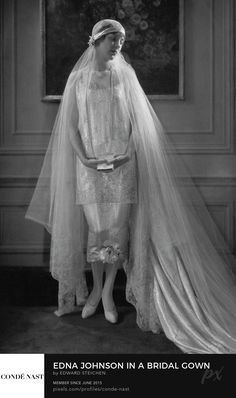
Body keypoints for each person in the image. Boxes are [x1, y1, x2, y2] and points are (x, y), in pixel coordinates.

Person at [26, 19, 236, 353]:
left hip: (123, 167)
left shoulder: (126, 76)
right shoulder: (77, 80)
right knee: (97, 232)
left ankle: (108, 291)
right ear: (97, 40)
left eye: (122, 41)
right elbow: (71, 128)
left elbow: (140, 125)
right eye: (114, 40)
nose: (118, 46)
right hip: (89, 168)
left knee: (117, 231)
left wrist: (127, 154)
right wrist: (84, 159)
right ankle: (94, 290)